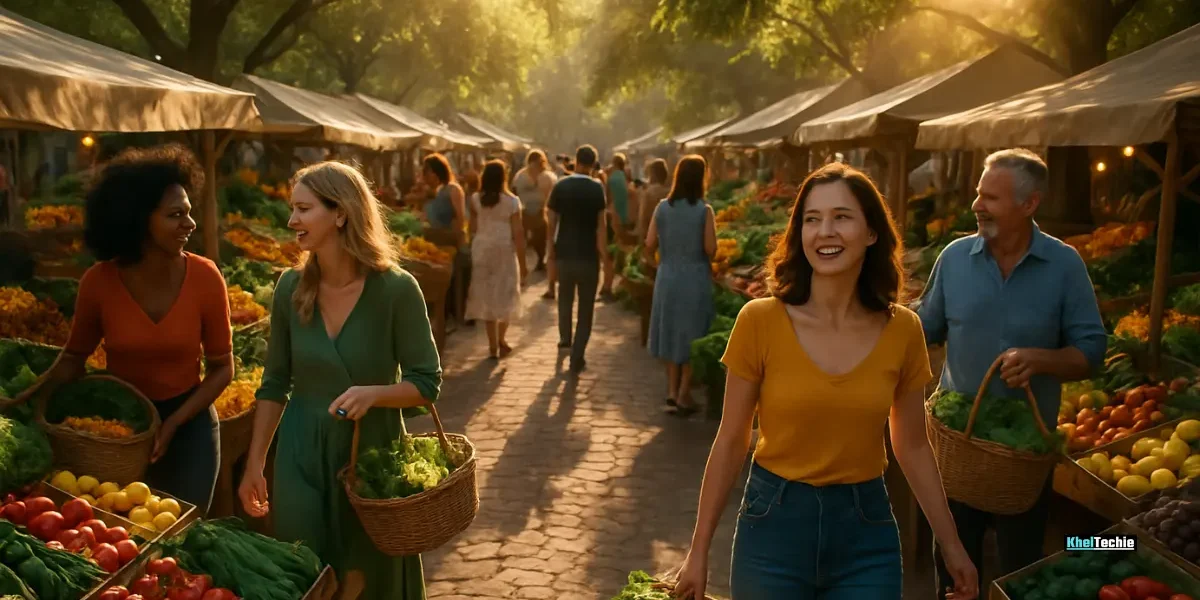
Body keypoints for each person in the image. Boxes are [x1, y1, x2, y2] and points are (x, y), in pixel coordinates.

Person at [671, 163, 979, 600]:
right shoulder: (759, 321)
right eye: (812, 220)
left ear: (872, 232)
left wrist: (952, 547)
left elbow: (911, 445)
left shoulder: (904, 330)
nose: (825, 232)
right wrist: (697, 551)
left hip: (865, 534)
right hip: (772, 528)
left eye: (841, 217)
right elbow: (731, 438)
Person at [238, 161, 442, 600]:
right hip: (300, 454)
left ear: (341, 213)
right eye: (293, 209)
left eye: (303, 209)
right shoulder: (290, 289)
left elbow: (427, 383)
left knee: (369, 581)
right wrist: (255, 464)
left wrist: (375, 394)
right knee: (308, 575)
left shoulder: (397, 290)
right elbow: (274, 383)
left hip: (372, 457)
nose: (291, 220)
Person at [918, 149, 1107, 598]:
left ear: (1029, 205)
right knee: (953, 568)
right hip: (959, 448)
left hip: (1024, 459)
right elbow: (923, 328)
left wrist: (1042, 360)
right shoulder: (955, 258)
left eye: (990, 197)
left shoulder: (1064, 266)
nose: (977, 206)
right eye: (979, 194)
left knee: (1019, 572)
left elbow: (1092, 351)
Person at [17, 144, 232, 512]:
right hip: (120, 430)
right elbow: (73, 359)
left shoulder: (206, 278)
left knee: (184, 533)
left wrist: (175, 423)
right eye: (175, 215)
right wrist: (27, 401)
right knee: (125, 532)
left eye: (189, 213)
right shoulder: (98, 283)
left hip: (190, 422)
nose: (189, 224)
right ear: (138, 220)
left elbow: (223, 368)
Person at [645, 155, 716, 417]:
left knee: (670, 330)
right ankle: (684, 393)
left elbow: (649, 242)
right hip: (695, 277)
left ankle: (671, 392)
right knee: (693, 333)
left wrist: (661, 262)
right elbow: (710, 248)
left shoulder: (662, 207)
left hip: (667, 276)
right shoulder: (704, 210)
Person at [546, 145, 609, 374]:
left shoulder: (560, 185)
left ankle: (565, 339)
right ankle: (578, 354)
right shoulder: (597, 188)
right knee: (585, 307)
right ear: (593, 164)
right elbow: (601, 227)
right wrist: (605, 256)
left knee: (564, 298)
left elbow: (551, 221)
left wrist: (550, 249)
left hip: (564, 252)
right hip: (588, 256)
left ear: (576, 161)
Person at [467, 159, 527, 359]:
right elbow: (518, 233)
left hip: (482, 249)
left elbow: (472, 229)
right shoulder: (512, 202)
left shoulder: (475, 199)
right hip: (504, 250)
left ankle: (493, 345)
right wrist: (524, 262)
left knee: (487, 296)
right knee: (506, 294)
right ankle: (501, 339)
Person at [420, 153, 471, 323]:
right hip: (436, 242)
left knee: (455, 280)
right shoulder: (437, 191)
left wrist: (456, 239)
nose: (424, 177)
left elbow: (460, 217)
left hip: (451, 243)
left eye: (426, 172)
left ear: (435, 172)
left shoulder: (453, 189)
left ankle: (458, 313)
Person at [513, 149, 556, 272]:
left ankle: (540, 259)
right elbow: (515, 190)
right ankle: (524, 263)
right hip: (524, 209)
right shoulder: (521, 176)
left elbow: (551, 192)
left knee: (540, 237)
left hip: (541, 210)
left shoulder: (547, 176)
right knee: (523, 237)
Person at [638, 159, 670, 242]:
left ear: (652, 174)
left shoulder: (648, 194)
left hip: (651, 238)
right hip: (666, 237)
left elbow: (642, 219)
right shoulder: (670, 193)